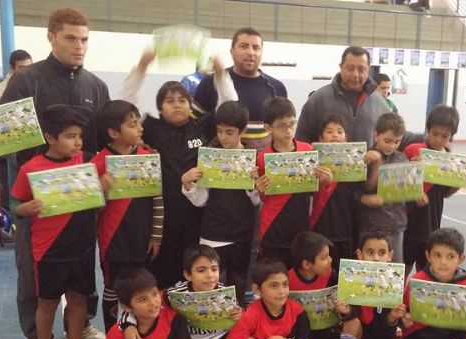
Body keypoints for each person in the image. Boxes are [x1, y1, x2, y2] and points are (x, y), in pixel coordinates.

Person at [0, 7, 110, 339]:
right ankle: (36, 335)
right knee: (32, 271)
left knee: (81, 266)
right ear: (51, 37)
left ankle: (83, 326)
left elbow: (102, 144)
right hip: (37, 202)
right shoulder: (26, 81)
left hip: (79, 199)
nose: (79, 46)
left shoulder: (96, 86)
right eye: (70, 38)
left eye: (84, 40)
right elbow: (2, 136)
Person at [121, 50, 235, 290]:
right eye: (170, 101)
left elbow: (230, 107)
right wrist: (141, 66)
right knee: (161, 275)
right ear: (160, 107)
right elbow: (126, 103)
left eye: (182, 100)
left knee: (194, 274)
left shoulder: (202, 126)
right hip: (163, 219)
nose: (177, 105)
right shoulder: (151, 128)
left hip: (199, 217)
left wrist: (221, 75)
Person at [11, 106, 98, 339]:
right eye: (70, 136)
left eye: (79, 136)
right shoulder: (31, 168)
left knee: (78, 298)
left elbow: (114, 166)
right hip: (48, 249)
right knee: (47, 302)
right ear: (50, 138)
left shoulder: (87, 161)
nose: (77, 142)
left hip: (82, 246)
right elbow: (14, 202)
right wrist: (25, 209)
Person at [91, 100, 164, 331]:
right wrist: (99, 190)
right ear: (113, 133)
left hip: (143, 240)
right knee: (115, 290)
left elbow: (158, 200)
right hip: (114, 242)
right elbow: (90, 210)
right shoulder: (98, 163)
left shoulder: (148, 157)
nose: (140, 129)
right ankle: (115, 336)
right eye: (133, 125)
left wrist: (157, 236)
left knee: (142, 290)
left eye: (138, 123)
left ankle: (141, 336)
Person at [181, 100, 261, 300]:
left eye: (230, 132)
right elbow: (201, 201)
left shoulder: (253, 159)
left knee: (238, 285)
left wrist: (253, 185)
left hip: (242, 234)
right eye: (219, 131)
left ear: (241, 131)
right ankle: (211, 329)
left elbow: (257, 202)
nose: (223, 137)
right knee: (209, 286)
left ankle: (237, 325)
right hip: (213, 233)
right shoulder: (209, 157)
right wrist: (188, 184)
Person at [330, 231, 406, 339]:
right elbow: (349, 316)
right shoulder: (350, 279)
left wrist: (392, 318)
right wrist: (345, 311)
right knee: (352, 322)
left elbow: (388, 334)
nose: (376, 258)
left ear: (390, 256)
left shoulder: (393, 284)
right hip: (357, 333)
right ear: (360, 254)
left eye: (381, 253)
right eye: (370, 252)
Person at [255, 97, 330, 268]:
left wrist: (326, 181)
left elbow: (316, 191)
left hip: (301, 227)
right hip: (273, 227)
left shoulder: (308, 151)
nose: (288, 130)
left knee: (296, 274)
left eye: (292, 124)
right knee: (271, 274)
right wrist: (260, 190)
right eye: (282, 126)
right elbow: (262, 197)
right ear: (268, 128)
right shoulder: (262, 158)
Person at [402, 106, 466, 275]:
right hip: (407, 222)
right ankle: (399, 301)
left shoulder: (450, 160)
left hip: (431, 224)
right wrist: (411, 170)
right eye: (435, 134)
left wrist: (463, 177)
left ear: (451, 136)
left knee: (427, 271)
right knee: (403, 268)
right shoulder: (413, 150)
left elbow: (446, 193)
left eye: (444, 136)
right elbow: (396, 182)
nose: (438, 139)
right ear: (428, 130)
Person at [194, 28, 287, 149]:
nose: (250, 52)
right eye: (244, 46)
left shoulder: (277, 88)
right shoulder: (210, 83)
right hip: (216, 164)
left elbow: (282, 129)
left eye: (256, 48)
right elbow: (193, 126)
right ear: (232, 51)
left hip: (262, 165)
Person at [310, 114, 380, 268]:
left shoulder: (357, 160)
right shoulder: (312, 162)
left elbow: (365, 189)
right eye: (329, 132)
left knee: (343, 273)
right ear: (320, 139)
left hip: (348, 230)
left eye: (340, 131)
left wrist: (375, 163)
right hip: (321, 229)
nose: (335, 135)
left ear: (346, 138)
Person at [360, 113, 424, 264]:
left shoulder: (401, 158)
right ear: (376, 135)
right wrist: (364, 198)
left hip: (396, 225)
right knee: (368, 267)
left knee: (395, 268)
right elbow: (359, 190)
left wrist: (417, 190)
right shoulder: (366, 157)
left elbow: (407, 190)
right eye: (387, 141)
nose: (392, 146)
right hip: (370, 226)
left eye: (397, 142)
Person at [297, 46, 391, 148]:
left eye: (361, 69)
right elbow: (301, 143)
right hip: (324, 164)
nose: (355, 74)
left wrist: (379, 156)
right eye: (350, 68)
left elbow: (392, 141)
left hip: (368, 164)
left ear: (368, 69)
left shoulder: (380, 104)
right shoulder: (318, 100)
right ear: (341, 67)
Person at [0, 49, 33, 210]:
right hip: (6, 146)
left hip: (29, 143)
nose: (26, 71)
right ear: (12, 68)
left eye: (29, 66)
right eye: (21, 67)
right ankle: (5, 224)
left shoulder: (35, 84)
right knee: (6, 188)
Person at [286, 232, 338, 339]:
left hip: (324, 332)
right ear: (307, 264)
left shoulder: (331, 276)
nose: (330, 260)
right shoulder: (287, 280)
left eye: (329, 255)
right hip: (298, 335)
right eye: (324, 257)